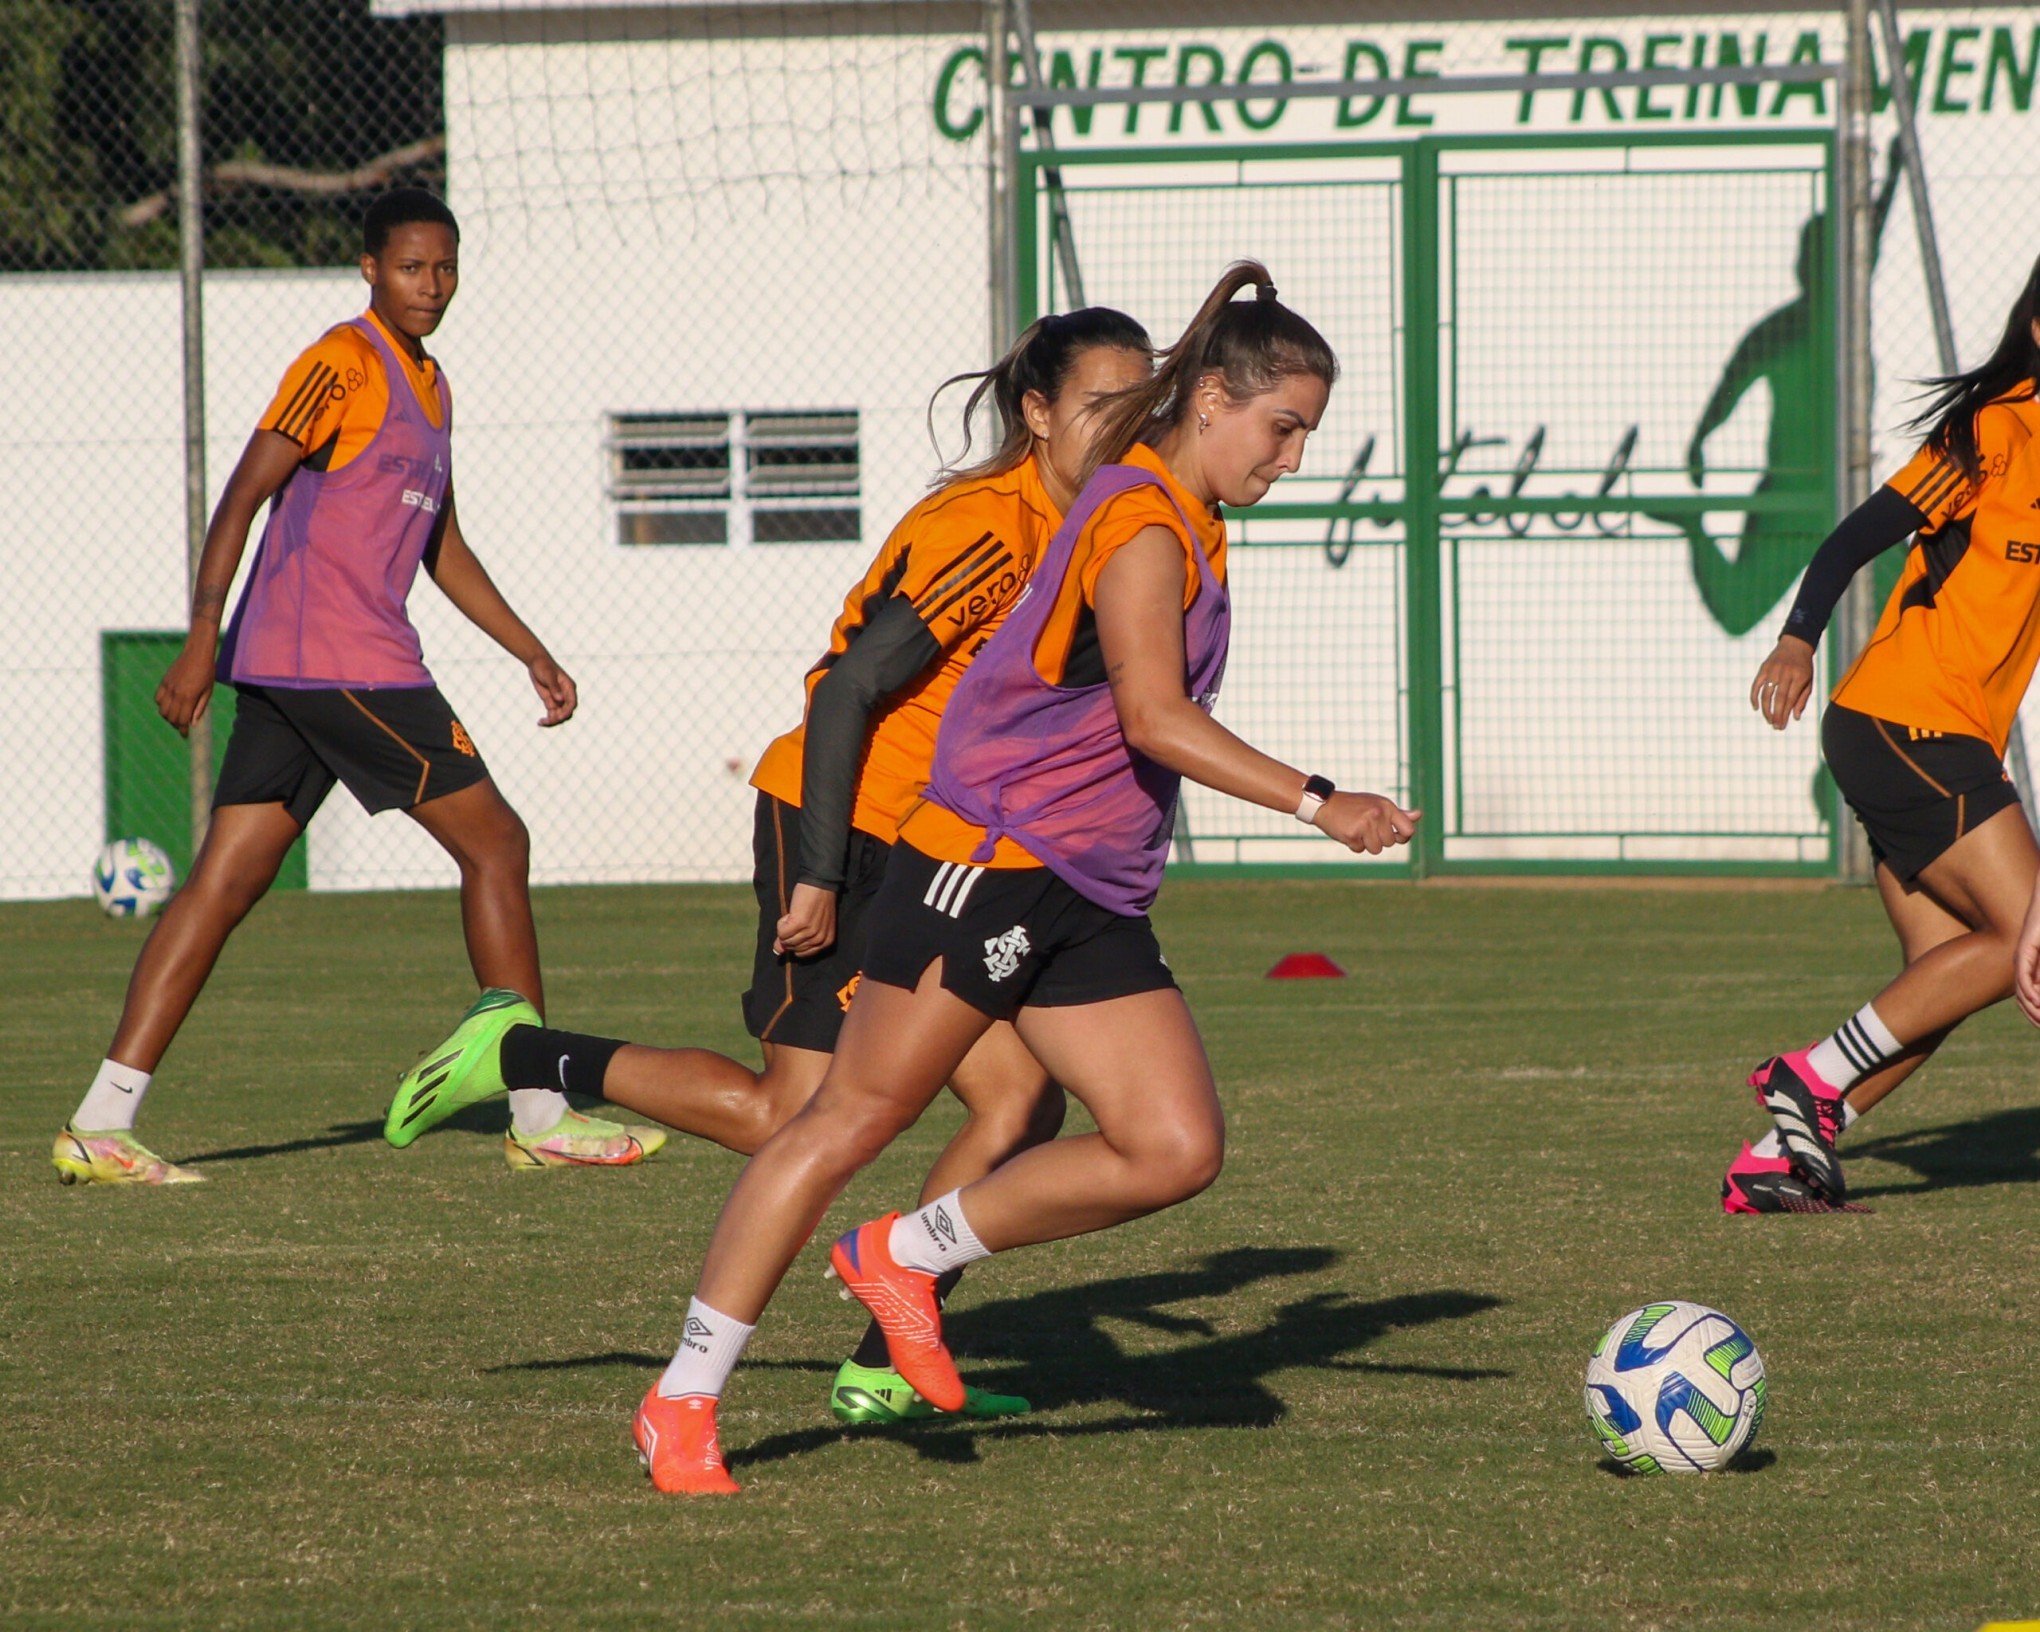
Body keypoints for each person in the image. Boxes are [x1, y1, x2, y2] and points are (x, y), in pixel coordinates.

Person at [629, 261, 1422, 1495]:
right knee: (844, 1120)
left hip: (1086, 889)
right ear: (1212, 399)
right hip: (987, 867)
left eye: (1307, 433)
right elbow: (1155, 716)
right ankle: (681, 1399)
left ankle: (904, 1252)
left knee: (1171, 1146)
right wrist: (1323, 803)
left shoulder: (1189, 513)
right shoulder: (1143, 520)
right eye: (1283, 427)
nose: (1294, 458)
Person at [384, 311, 1156, 1421]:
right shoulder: (988, 528)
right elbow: (846, 691)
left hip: (946, 848)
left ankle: (885, 1362)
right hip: (849, 831)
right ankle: (521, 1051)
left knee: (1019, 1102)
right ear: (1036, 414)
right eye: (1097, 406)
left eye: (1137, 408)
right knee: (786, 1115)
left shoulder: (1090, 524)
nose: (1120, 428)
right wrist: (822, 874)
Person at [51, 188, 655, 1185]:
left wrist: (529, 649)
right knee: (498, 841)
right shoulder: (340, 361)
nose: (432, 285)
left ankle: (100, 1122)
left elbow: (442, 546)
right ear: (371, 267)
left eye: (446, 268)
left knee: (223, 885)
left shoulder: (433, 384)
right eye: (413, 267)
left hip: (312, 670)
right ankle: (542, 1110)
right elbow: (243, 492)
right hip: (342, 662)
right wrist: (202, 637)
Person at [1723, 251, 2040, 1214]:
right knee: (2022, 936)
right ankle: (1808, 1080)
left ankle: (1778, 1157)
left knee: (1943, 983)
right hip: (1901, 718)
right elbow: (1855, 535)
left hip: (1947, 737)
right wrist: (1795, 639)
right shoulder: (1993, 429)